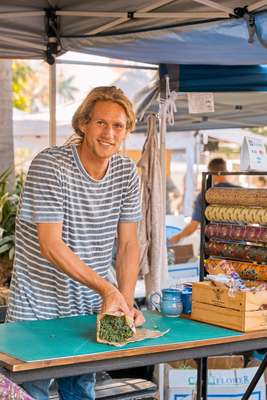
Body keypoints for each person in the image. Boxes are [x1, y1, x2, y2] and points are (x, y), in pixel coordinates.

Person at [6, 86, 144, 400]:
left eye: (118, 125)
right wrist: (108, 290)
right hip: (36, 311)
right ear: (83, 123)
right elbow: (50, 245)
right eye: (101, 123)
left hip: (88, 309)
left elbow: (128, 245)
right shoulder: (51, 165)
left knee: (81, 392)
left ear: (126, 131)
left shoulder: (125, 173)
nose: (109, 133)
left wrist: (124, 299)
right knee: (31, 395)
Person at [168, 158, 237, 245]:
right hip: (240, 248)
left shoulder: (205, 195)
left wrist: (177, 237)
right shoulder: (241, 192)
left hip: (217, 249)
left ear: (210, 172)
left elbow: (193, 226)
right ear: (226, 171)